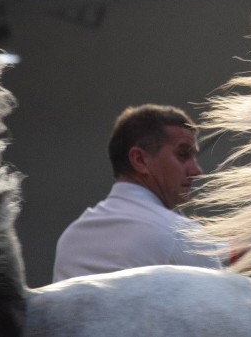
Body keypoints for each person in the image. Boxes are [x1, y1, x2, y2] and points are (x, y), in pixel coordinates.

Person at [52, 104, 221, 282]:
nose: (196, 170)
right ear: (140, 160)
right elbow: (222, 306)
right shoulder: (183, 235)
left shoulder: (71, 237)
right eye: (183, 154)